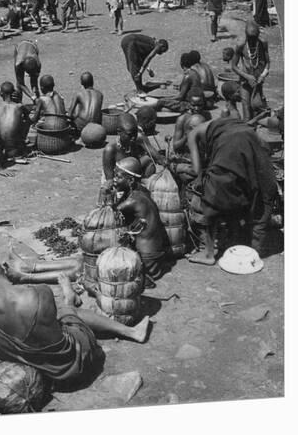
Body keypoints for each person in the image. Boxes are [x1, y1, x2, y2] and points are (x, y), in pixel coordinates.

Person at [0, 255, 150, 386]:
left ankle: (70, 301)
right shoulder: (40, 292)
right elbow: (61, 321)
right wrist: (68, 295)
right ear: (3, 271)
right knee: (69, 313)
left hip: (42, 374)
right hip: (77, 363)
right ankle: (131, 331)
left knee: (50, 320)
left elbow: (2, 347)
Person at [186, 117, 277, 265]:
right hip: (251, 139)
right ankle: (248, 244)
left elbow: (196, 169)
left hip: (231, 146)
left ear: (189, 128)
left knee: (212, 197)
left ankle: (208, 254)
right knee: (254, 184)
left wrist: (180, 167)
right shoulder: (219, 122)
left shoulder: (192, 134)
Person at [110, 157, 172, 284]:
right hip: (154, 255)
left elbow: (109, 213)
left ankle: (143, 277)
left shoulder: (134, 200)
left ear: (131, 180)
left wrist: (105, 192)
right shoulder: (141, 190)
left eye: (118, 177)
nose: (114, 180)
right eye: (114, 176)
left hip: (147, 260)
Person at [102, 112, 163, 180]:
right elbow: (109, 178)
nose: (133, 138)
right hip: (119, 179)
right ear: (119, 132)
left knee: (148, 160)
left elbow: (158, 158)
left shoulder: (139, 138)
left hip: (134, 175)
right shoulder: (110, 149)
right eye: (130, 135)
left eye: (135, 133)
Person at [231, 20, 270, 121]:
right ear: (246, 35)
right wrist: (247, 77)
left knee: (257, 108)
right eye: (250, 39)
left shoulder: (263, 43)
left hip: (258, 81)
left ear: (258, 35)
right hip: (245, 81)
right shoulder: (241, 45)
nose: (252, 41)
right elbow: (234, 66)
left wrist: (263, 75)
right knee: (247, 111)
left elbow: (268, 62)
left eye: (254, 38)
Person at [0, 81, 30, 160]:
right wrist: (19, 101)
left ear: (1, 93)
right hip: (15, 152)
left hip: (1, 152)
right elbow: (28, 116)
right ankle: (21, 142)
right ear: (13, 93)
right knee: (27, 121)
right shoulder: (19, 107)